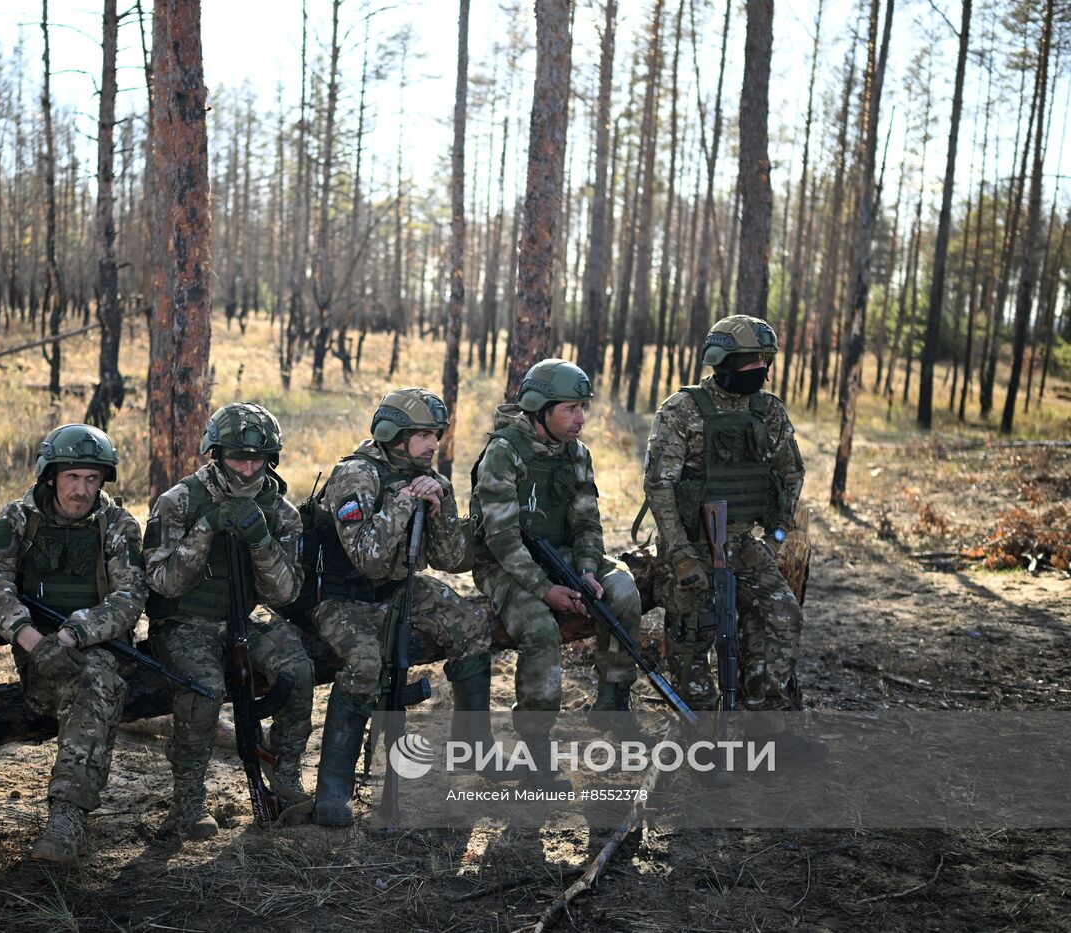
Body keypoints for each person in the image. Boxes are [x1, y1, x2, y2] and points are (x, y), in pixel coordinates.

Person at [308, 388, 498, 827]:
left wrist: (441, 505)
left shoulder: (426, 476)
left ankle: (474, 745)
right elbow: (368, 559)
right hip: (341, 597)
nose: (434, 444)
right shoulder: (354, 475)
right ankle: (333, 786)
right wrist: (402, 502)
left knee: (470, 624)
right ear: (395, 434)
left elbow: (451, 560)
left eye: (437, 434)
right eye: (425, 435)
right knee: (365, 661)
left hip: (394, 589)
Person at [643, 314, 825, 758]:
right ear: (723, 361)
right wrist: (682, 554)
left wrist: (777, 536)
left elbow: (791, 472)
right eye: (753, 360)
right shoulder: (682, 410)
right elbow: (659, 485)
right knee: (695, 635)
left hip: (743, 543)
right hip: (690, 545)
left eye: (767, 361)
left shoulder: (769, 411)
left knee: (783, 615)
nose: (761, 369)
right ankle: (699, 738)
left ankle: (769, 729)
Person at [0, 424, 145, 865]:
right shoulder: (18, 519)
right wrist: (31, 638)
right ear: (51, 476)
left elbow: (129, 598)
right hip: (35, 650)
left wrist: (73, 634)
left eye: (92, 479)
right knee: (84, 682)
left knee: (95, 681)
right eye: (73, 478)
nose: (82, 489)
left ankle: (67, 817)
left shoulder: (119, 525)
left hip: (101, 647)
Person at [470, 359, 645, 789]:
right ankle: (535, 751)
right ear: (541, 408)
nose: (581, 419)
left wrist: (586, 571)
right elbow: (502, 539)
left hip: (563, 555)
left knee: (624, 590)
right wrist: (546, 590)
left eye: (583, 407)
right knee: (539, 628)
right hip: (506, 563)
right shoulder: (504, 452)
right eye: (570, 408)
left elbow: (588, 524)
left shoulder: (577, 454)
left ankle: (612, 701)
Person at [143, 402, 314, 838]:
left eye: (258, 459)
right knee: (204, 689)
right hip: (186, 620)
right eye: (238, 457)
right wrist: (205, 530)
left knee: (297, 671)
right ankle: (188, 803)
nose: (247, 468)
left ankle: (286, 773)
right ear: (215, 454)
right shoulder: (179, 501)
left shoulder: (281, 512)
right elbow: (163, 583)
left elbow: (285, 592)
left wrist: (260, 539)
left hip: (248, 615)